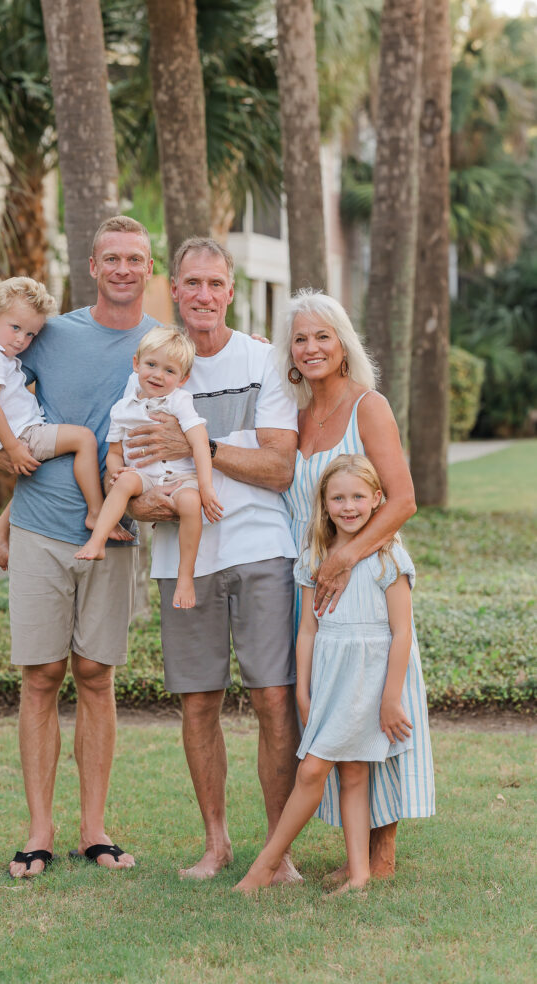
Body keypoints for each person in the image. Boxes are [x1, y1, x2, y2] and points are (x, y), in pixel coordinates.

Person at [0, 215, 157, 877]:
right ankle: (39, 830)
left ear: (149, 269)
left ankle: (94, 829)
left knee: (96, 676)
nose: (123, 269)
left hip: (115, 531)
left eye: (135, 259)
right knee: (40, 677)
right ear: (92, 266)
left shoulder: (162, 342)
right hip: (39, 524)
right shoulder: (51, 332)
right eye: (111, 258)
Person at [127, 237, 301, 882]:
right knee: (198, 703)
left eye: (215, 284)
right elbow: (131, 469)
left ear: (230, 290)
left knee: (273, 699)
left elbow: (279, 468)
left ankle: (277, 853)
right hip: (183, 560)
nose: (203, 295)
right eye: (192, 283)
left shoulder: (263, 361)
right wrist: (144, 503)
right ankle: (217, 844)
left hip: (261, 548)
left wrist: (197, 446)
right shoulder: (150, 366)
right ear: (174, 289)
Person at [278, 289, 435, 884]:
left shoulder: (369, 406)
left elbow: (403, 499)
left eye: (323, 336)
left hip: (364, 575)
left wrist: (344, 557)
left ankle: (380, 853)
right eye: (300, 339)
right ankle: (357, 853)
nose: (312, 348)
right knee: (337, 712)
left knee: (377, 707)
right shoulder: (295, 417)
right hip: (312, 583)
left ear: (343, 345)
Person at [235, 455, 433, 894]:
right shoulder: (314, 557)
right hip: (330, 678)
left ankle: (265, 866)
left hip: (369, 681)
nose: (348, 507)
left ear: (377, 499)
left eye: (358, 497)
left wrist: (390, 698)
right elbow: (307, 630)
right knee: (352, 774)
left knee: (312, 772)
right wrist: (303, 691)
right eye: (338, 498)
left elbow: (402, 633)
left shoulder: (389, 558)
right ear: (323, 504)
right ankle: (359, 875)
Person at [0, 276, 130, 545]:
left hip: (17, 434)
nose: (21, 340)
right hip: (22, 435)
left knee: (52, 464)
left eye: (30, 334)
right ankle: (95, 513)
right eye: (15, 328)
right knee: (84, 439)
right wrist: (12, 447)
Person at [75, 325, 223, 609]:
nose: (157, 375)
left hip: (180, 476)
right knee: (124, 482)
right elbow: (114, 452)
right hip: (144, 475)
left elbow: (200, 444)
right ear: (136, 364)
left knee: (191, 503)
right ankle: (97, 540)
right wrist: (117, 470)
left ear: (183, 379)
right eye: (151, 364)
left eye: (169, 370)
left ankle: (185, 577)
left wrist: (205, 487)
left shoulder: (178, 401)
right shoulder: (122, 409)